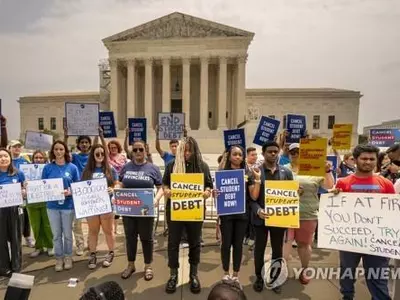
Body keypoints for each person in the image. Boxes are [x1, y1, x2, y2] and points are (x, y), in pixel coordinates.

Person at [335, 144, 395, 300]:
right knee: (347, 273)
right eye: (364, 158)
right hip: (350, 238)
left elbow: (393, 212)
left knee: (378, 277)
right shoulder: (343, 183)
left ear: (376, 161)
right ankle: (347, 297)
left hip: (378, 240)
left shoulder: (386, 184)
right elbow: (336, 211)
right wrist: (333, 197)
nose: (367, 162)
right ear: (355, 160)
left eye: (371, 159)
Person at [162, 136, 213, 294]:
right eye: (185, 150)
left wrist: (206, 192)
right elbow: (164, 184)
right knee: (173, 243)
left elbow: (209, 186)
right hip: (176, 211)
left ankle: (193, 274)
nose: (187, 153)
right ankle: (173, 275)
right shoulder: (172, 165)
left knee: (195, 243)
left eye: (190, 150)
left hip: (194, 211)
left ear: (195, 150)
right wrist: (167, 191)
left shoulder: (202, 166)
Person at [282, 142, 334, 284]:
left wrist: (327, 171)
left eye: (299, 152)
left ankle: (304, 270)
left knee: (304, 245)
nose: (296, 155)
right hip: (285, 214)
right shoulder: (282, 169)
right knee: (285, 243)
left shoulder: (315, 169)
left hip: (307, 214)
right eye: (292, 152)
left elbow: (329, 186)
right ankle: (282, 270)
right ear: (289, 154)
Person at [250, 141, 294, 293]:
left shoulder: (286, 173)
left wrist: (296, 192)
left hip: (279, 219)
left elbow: (291, 194)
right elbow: (251, 198)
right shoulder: (255, 171)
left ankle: (275, 278)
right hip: (260, 218)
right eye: (270, 151)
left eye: (276, 151)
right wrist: (258, 211)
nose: (273, 154)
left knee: (277, 250)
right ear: (263, 153)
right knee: (259, 249)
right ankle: (259, 278)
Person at [117, 140, 163, 281]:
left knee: (146, 239)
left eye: (140, 149)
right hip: (129, 210)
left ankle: (148, 266)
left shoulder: (153, 168)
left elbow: (161, 186)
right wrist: (117, 190)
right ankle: (131, 265)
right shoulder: (126, 167)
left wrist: (156, 199)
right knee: (130, 238)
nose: (138, 152)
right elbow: (120, 183)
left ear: (146, 150)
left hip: (145, 210)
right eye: (135, 150)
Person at [213, 145, 261, 285]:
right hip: (227, 214)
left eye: (240, 154)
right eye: (235, 154)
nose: (238, 157)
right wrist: (215, 194)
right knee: (226, 244)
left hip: (242, 214)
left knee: (238, 245)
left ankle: (235, 275)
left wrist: (257, 180)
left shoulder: (248, 172)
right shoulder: (222, 172)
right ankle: (226, 273)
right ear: (229, 156)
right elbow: (217, 192)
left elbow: (254, 195)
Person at [42, 140, 80, 272]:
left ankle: (68, 256)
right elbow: (43, 186)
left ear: (65, 151)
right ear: (53, 151)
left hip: (68, 206)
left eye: (61, 149)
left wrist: (69, 191)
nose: (58, 152)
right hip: (52, 206)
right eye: (56, 149)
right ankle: (59, 258)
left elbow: (77, 186)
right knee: (56, 234)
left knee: (68, 234)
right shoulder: (47, 168)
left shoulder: (72, 167)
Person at [81, 144, 117, 269]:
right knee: (93, 231)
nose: (100, 156)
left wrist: (112, 189)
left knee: (108, 231)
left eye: (102, 154)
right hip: (92, 207)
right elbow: (82, 187)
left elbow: (116, 184)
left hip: (106, 206)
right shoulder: (87, 171)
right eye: (97, 154)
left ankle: (111, 252)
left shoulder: (110, 169)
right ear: (93, 156)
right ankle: (92, 254)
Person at [64, 127, 92, 256]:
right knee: (78, 222)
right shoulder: (74, 157)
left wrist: (100, 135)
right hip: (78, 193)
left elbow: (104, 151)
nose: (84, 144)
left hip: (91, 191)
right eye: (82, 142)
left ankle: (91, 243)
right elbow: (64, 154)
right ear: (78, 145)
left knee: (92, 221)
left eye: (87, 142)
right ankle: (80, 245)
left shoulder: (93, 156)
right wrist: (65, 136)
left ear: (90, 144)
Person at [0, 148, 26, 277]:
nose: (3, 159)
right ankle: (3, 268)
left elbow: (25, 189)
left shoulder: (18, 173)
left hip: (15, 210)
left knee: (16, 238)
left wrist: (24, 192)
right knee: (1, 239)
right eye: (0, 157)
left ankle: (16, 266)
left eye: (5, 156)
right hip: (0, 211)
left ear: (10, 158)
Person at [26, 150, 54, 258]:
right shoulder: (26, 171)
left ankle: (50, 246)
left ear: (44, 159)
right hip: (32, 202)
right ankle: (39, 247)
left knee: (47, 225)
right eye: (36, 157)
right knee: (36, 226)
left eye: (40, 157)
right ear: (33, 159)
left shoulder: (48, 169)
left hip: (46, 201)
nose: (38, 159)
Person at [8, 140, 34, 248]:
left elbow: (31, 176)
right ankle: (11, 239)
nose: (17, 149)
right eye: (14, 147)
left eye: (18, 146)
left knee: (24, 215)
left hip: (22, 195)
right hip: (8, 196)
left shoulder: (25, 161)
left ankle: (27, 236)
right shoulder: (6, 161)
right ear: (9, 148)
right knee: (10, 217)